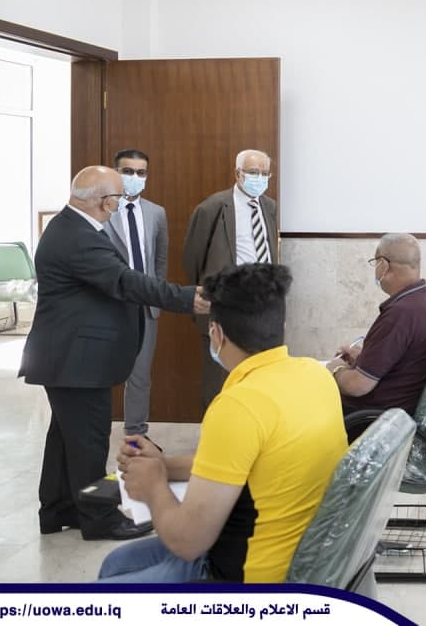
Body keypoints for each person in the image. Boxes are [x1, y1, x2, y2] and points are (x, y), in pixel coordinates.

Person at [99, 263, 347, 582]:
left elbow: (187, 542)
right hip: (307, 557)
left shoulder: (238, 406)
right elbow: (242, 463)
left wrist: (153, 486)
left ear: (216, 334)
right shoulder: (315, 375)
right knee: (117, 563)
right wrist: (162, 465)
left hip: (250, 575)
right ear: (281, 325)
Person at [19, 166, 206, 541]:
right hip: (76, 361)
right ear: (105, 201)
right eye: (119, 197)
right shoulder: (78, 236)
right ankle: (99, 518)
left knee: (66, 439)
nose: (121, 203)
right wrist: (187, 297)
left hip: (69, 358)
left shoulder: (73, 227)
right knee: (88, 443)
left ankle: (58, 509)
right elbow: (124, 281)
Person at [183, 149, 278, 409]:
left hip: (263, 303)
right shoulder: (212, 207)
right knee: (220, 378)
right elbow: (193, 259)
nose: (259, 178)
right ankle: (217, 426)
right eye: (253, 172)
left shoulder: (270, 207)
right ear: (238, 174)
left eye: (265, 173)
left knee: (258, 374)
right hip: (226, 304)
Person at [326, 234, 426, 416]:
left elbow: (357, 386)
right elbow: (407, 360)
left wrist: (335, 369)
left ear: (383, 265)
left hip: (374, 418)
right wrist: (363, 358)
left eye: (375, 263)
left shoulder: (400, 314)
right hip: (403, 409)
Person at [103, 148, 168, 442]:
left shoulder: (156, 213)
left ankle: (136, 434)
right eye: (128, 171)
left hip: (145, 305)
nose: (134, 177)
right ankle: (98, 431)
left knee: (140, 376)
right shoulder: (103, 210)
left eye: (141, 173)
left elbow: (160, 260)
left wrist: (155, 294)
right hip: (110, 304)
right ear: (116, 173)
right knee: (102, 373)